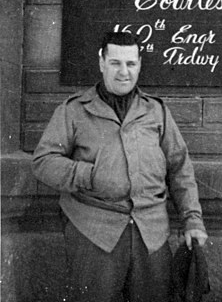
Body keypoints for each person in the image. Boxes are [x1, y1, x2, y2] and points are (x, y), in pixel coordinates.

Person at [32, 30, 208, 302]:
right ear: (102, 62)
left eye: (131, 64)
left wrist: (192, 220)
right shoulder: (73, 110)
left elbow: (180, 168)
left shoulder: (156, 111)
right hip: (94, 232)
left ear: (139, 65)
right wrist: (90, 174)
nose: (123, 72)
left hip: (151, 233)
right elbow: (43, 162)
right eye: (115, 63)